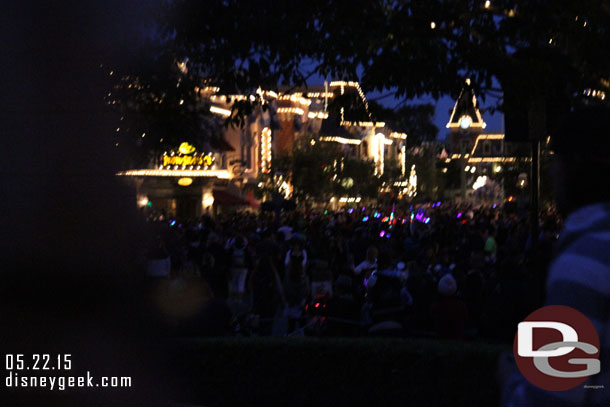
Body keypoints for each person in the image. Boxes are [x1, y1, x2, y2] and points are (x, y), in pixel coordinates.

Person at [501, 103, 610, 406]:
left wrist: (512, 377)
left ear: (574, 166)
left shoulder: (584, 261)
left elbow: (549, 396)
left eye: (555, 162)